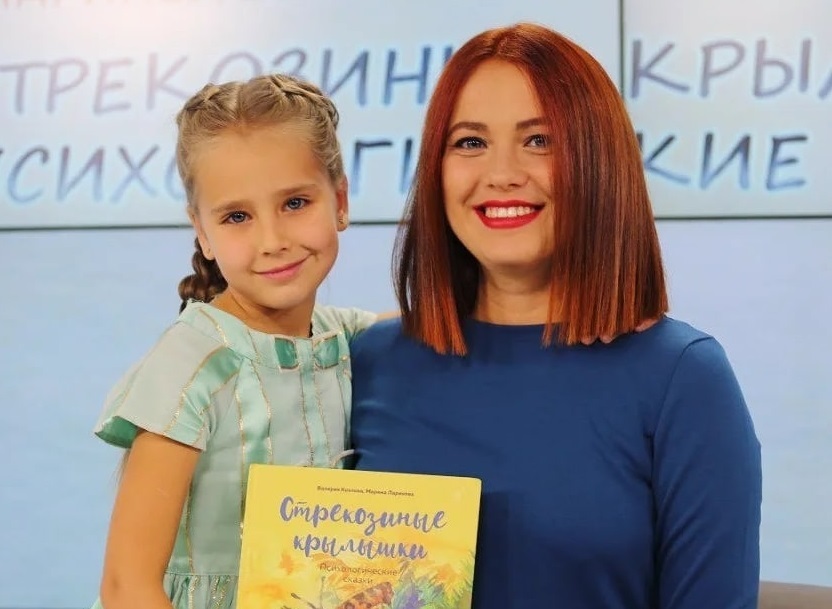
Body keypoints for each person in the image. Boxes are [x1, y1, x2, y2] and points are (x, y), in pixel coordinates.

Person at [350, 22, 762, 609]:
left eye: (540, 140)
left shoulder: (684, 379)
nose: (501, 173)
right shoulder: (369, 361)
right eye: (469, 142)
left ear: (600, 162)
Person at [91, 74, 376, 609]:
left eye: (295, 202)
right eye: (237, 216)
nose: (272, 241)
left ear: (340, 200)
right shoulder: (192, 367)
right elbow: (126, 587)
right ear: (202, 230)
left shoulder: (347, 338)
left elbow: (445, 325)